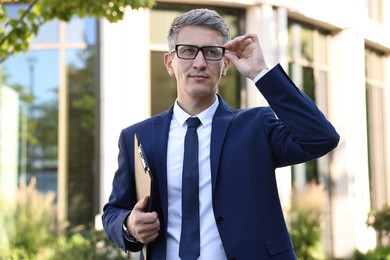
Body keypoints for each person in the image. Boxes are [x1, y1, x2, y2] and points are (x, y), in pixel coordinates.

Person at [102, 8, 339, 260]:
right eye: (188, 51)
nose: (200, 62)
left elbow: (321, 137)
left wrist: (261, 73)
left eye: (212, 53)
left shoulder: (256, 126)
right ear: (170, 63)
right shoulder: (137, 137)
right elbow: (113, 212)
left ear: (225, 65)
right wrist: (128, 224)